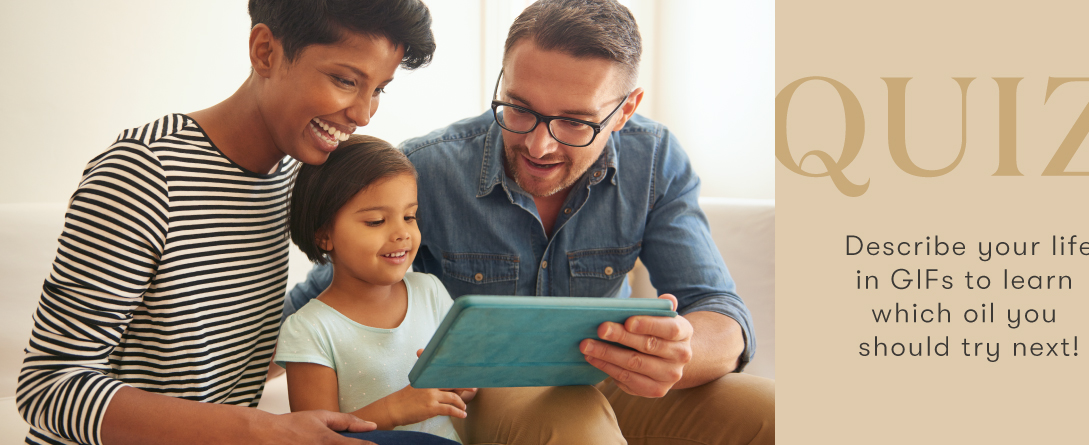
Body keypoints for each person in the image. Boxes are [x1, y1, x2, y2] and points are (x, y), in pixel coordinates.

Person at [288, 0, 775, 443]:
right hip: (483, 390)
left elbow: (717, 309)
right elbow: (326, 297)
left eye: (576, 122)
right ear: (501, 80)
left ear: (625, 110)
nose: (539, 146)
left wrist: (678, 354)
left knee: (774, 413)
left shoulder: (654, 160)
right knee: (574, 425)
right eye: (519, 109)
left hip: (611, 378)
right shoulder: (426, 168)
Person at [16, 1, 438, 444]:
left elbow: (275, 328)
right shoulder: (145, 174)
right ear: (265, 52)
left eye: (379, 90)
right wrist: (262, 430)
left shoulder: (295, 177)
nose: (364, 113)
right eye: (346, 81)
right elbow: (48, 386)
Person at [275, 135, 472, 444]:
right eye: (376, 221)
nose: (402, 233)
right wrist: (394, 409)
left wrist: (464, 385)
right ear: (324, 235)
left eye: (410, 216)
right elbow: (317, 437)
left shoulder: (430, 291)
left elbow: (464, 376)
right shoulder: (309, 330)